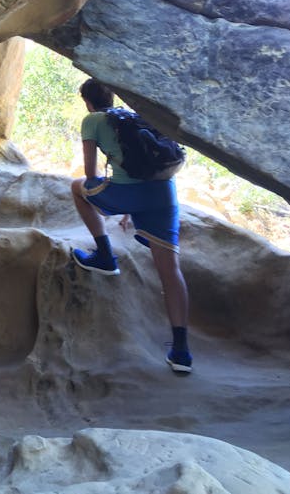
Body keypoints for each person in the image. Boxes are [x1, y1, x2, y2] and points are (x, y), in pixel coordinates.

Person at [70, 78, 192, 374]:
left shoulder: (93, 120)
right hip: (163, 196)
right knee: (170, 271)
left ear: (88, 101)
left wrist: (121, 201)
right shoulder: (136, 115)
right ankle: (181, 351)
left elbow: (89, 173)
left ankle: (104, 256)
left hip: (127, 194)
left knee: (77, 187)